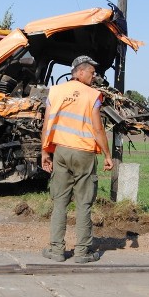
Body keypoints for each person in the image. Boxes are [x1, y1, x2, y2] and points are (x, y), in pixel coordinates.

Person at [40, 55, 114, 264]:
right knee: (83, 203)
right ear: (80, 72)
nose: (94, 76)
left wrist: (45, 152)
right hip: (83, 153)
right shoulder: (93, 95)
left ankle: (56, 251)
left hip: (61, 151)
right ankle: (82, 252)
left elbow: (46, 125)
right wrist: (107, 155)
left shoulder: (54, 92)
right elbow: (98, 128)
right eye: (92, 72)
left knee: (60, 203)